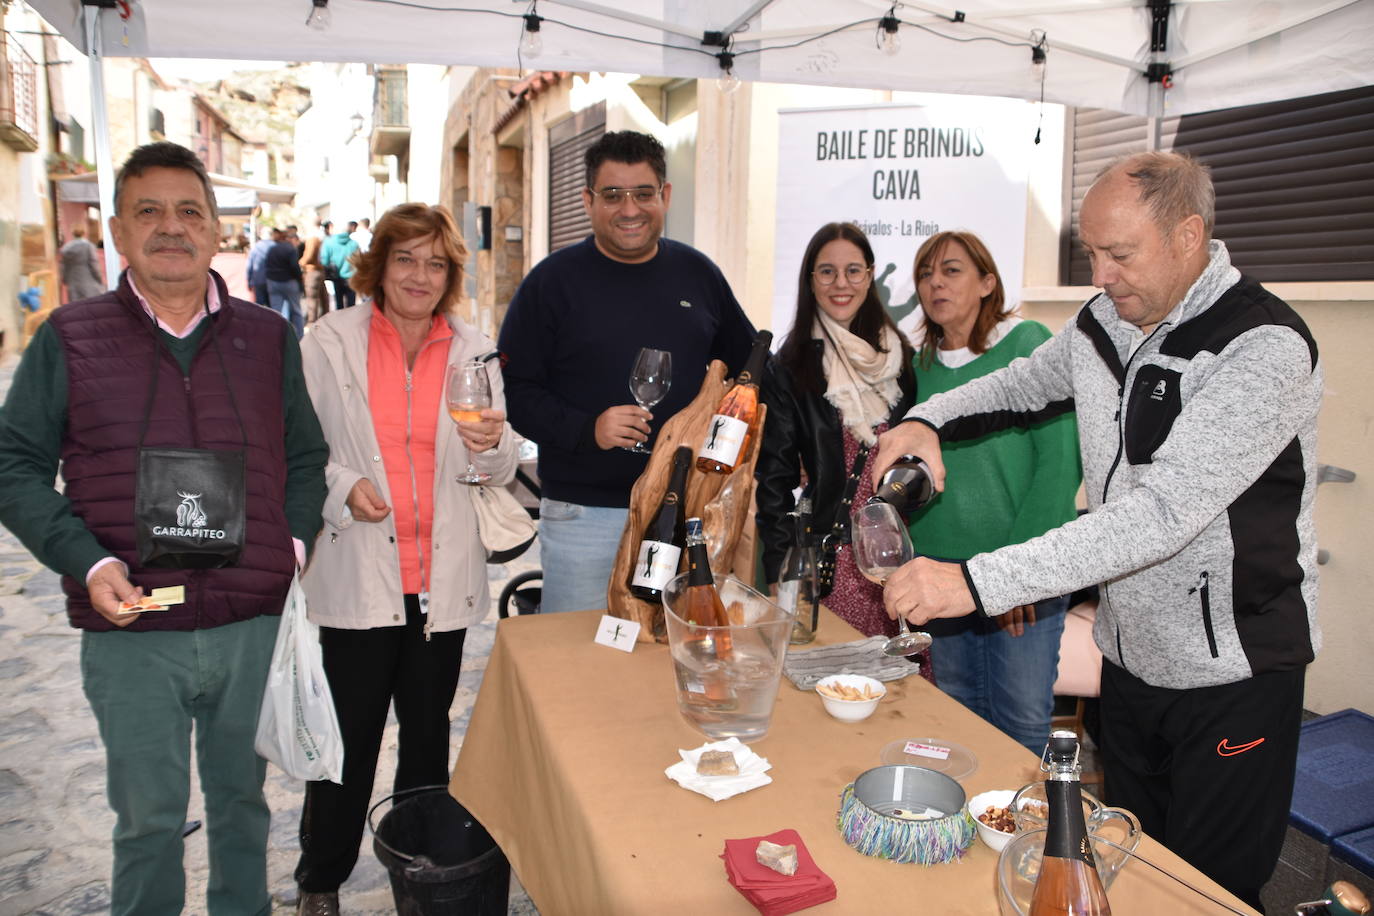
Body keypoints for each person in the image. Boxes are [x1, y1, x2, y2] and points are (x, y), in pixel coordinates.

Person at [874, 151, 1321, 909]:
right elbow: (1017, 387)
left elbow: (1160, 516)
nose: (1101, 275)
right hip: (1131, 659)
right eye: (1092, 253)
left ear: (1188, 236)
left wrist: (975, 580)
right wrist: (924, 418)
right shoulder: (1107, 319)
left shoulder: (1262, 346)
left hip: (1232, 675)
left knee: (1209, 891)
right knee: (1131, 866)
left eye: (1120, 253)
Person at [0, 141, 328, 915]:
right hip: (132, 629)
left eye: (190, 211)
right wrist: (84, 561)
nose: (171, 227)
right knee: (147, 823)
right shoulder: (69, 339)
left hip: (249, 626)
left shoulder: (268, 338)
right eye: (149, 211)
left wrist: (293, 544)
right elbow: (12, 465)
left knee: (245, 811)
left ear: (218, 231)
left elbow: (308, 455)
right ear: (117, 231)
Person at [293, 203, 516, 916]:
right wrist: (339, 487)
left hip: (440, 584)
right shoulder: (328, 343)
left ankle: (424, 875)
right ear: (379, 265)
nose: (420, 275)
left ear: (451, 274)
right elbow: (300, 451)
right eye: (406, 259)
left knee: (427, 741)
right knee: (347, 746)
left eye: (436, 263)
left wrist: (495, 447)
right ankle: (320, 880)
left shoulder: (474, 349)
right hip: (360, 575)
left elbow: (504, 457)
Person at [498, 130, 754, 614]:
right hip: (585, 515)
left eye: (643, 193)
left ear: (666, 196)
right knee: (579, 660)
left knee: (667, 661)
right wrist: (586, 428)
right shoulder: (551, 284)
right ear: (588, 200)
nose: (629, 208)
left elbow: (750, 375)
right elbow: (514, 391)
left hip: (686, 510)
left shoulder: (698, 275)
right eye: (613, 195)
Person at [903, 230, 1080, 754]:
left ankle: (1023, 833)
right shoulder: (920, 367)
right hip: (939, 567)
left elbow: (1059, 464)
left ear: (987, 282)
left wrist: (1016, 576)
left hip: (1020, 564)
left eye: (952, 270)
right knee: (953, 714)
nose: (935, 283)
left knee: (1022, 721)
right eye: (925, 273)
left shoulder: (1027, 347)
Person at [754, 222, 932, 679]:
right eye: (827, 272)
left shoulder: (901, 358)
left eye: (853, 271)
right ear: (810, 280)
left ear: (870, 275)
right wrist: (779, 569)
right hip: (830, 564)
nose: (841, 284)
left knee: (899, 689)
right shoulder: (791, 366)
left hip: (896, 558)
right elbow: (772, 480)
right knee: (833, 685)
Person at [266, 225, 306, 338]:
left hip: (273, 282)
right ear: (293, 239)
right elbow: (295, 267)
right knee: (296, 310)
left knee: (276, 311)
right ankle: (299, 336)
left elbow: (267, 265)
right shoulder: (291, 249)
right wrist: (300, 280)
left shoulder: (273, 248)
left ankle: (277, 335)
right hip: (289, 282)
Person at [59, 224, 104, 302]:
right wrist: (99, 278)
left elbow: (63, 266)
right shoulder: (88, 246)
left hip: (73, 283)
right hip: (89, 281)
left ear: (73, 234)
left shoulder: (66, 248)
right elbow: (94, 263)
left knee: (76, 307)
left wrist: (65, 279)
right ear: (84, 233)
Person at [321, 221, 360, 310]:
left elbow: (324, 261)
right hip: (351, 277)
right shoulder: (354, 244)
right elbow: (359, 261)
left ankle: (340, 322)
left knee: (339, 303)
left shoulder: (328, 243)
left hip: (336, 276)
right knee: (351, 305)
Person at [300, 220, 329, 324]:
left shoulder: (313, 238)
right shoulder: (322, 236)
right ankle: (324, 319)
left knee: (312, 297)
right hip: (319, 269)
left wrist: (300, 263)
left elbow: (309, 256)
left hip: (313, 269)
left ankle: (312, 321)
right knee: (323, 297)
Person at [246, 226, 275, 305]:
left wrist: (249, 281)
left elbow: (249, 265)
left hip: (259, 279)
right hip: (272, 280)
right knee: (272, 306)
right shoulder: (275, 246)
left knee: (260, 306)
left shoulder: (256, 247)